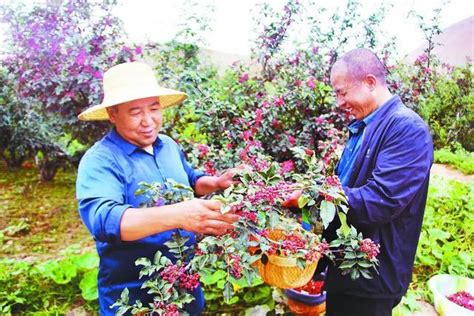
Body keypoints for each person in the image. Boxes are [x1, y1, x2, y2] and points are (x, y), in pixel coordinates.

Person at [76, 61, 240, 315]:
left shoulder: (166, 145)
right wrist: (179, 215)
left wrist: (216, 182)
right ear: (112, 114)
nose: (148, 121)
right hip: (135, 294)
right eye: (135, 112)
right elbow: (105, 220)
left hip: (184, 284)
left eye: (154, 108)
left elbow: (191, 179)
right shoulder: (100, 160)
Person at [321, 48, 434, 316]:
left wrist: (317, 194)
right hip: (346, 268)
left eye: (342, 92)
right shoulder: (365, 125)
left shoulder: (407, 129)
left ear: (370, 83)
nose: (339, 102)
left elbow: (380, 201)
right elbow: (346, 186)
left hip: (371, 278)